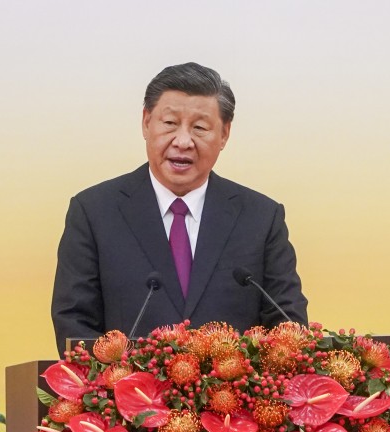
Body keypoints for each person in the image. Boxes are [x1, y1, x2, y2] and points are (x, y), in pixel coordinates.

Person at [51, 62, 308, 351]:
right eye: (170, 124)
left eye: (199, 128)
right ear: (146, 123)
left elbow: (288, 325)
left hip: (235, 394)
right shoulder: (94, 212)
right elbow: (75, 323)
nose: (183, 141)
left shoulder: (261, 218)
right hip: (127, 393)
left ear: (224, 134)